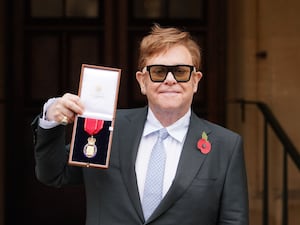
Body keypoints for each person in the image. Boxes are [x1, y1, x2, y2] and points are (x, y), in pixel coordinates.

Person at [32, 24, 249, 225]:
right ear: (142, 81)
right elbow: (54, 173)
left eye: (181, 72)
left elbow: (234, 220)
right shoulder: (108, 129)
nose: (170, 80)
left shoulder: (225, 146)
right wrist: (52, 118)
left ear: (196, 81)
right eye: (158, 72)